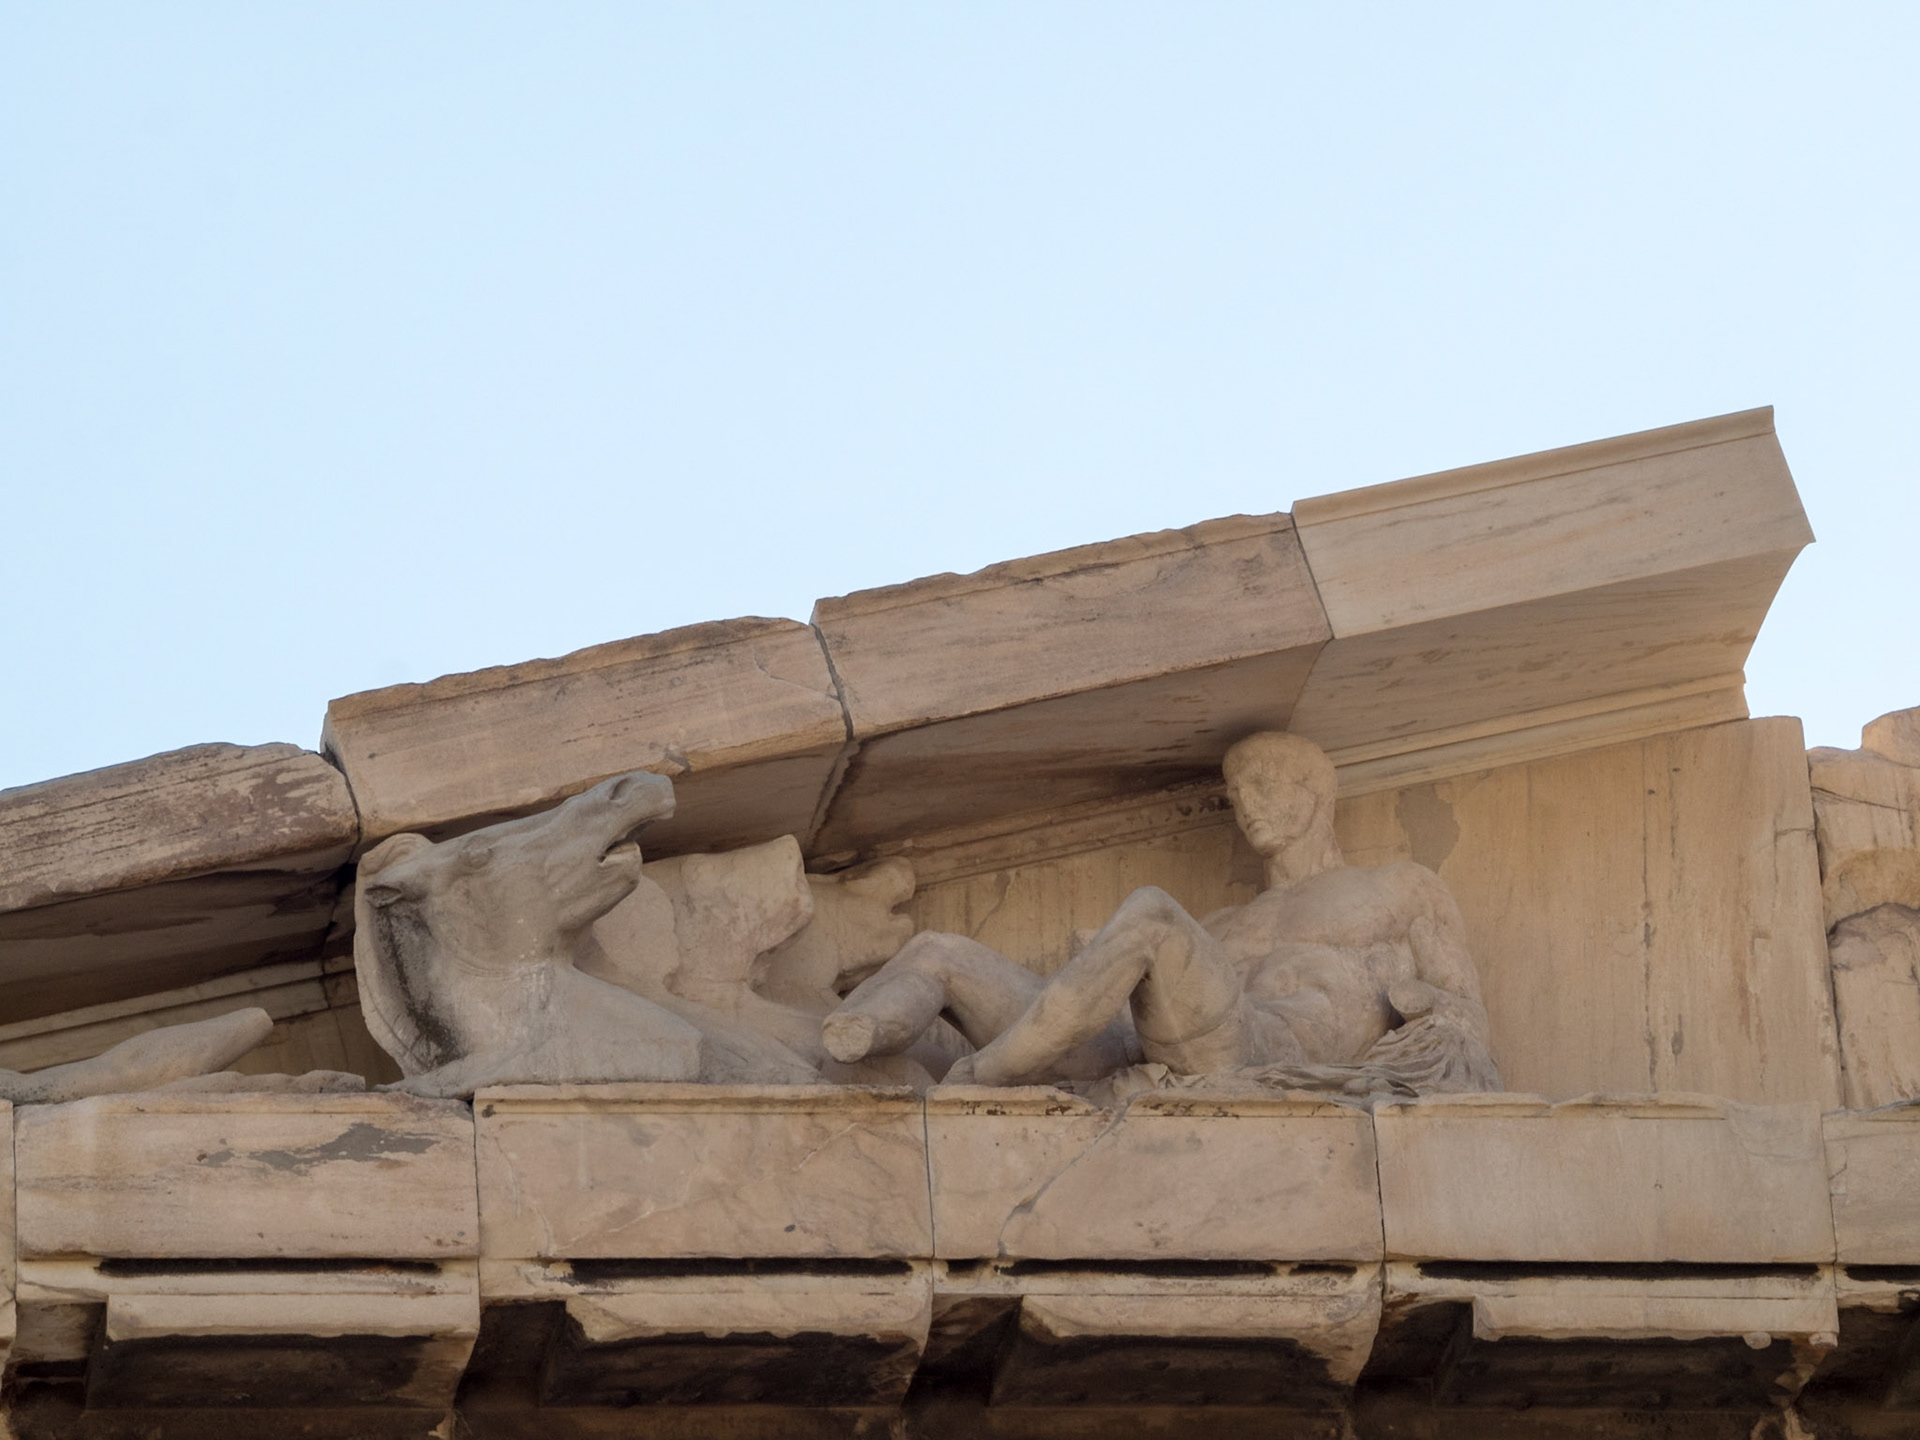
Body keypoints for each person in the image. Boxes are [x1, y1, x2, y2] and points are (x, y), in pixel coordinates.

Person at [823, 731, 1498, 1096]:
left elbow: (1464, 1019)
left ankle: (986, 1075)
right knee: (940, 950)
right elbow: (1143, 1017)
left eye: (1262, 786)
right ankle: (839, 1045)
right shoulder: (1228, 925)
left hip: (1262, 1053)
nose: (1247, 805)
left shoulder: (1398, 887)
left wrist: (1419, 1009)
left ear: (1316, 792)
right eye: (1236, 792)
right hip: (1143, 1048)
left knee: (1151, 913)